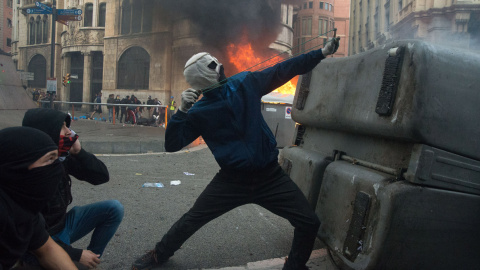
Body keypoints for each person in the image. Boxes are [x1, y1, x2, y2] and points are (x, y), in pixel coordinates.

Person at [131, 38, 340, 270]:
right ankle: (159, 255)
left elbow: (283, 69)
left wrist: (319, 53)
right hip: (231, 181)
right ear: (203, 77)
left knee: (309, 222)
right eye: (213, 65)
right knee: (193, 219)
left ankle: (294, 266)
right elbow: (172, 144)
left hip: (269, 176)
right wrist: (181, 111)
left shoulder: (245, 83)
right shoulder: (199, 111)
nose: (220, 66)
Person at [22, 108, 124, 269]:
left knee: (114, 208)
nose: (69, 132)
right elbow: (26, 237)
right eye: (62, 127)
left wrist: (79, 152)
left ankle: (89, 261)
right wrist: (74, 254)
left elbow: (101, 177)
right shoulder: (25, 172)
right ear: (46, 132)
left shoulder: (59, 159)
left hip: (63, 225)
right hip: (41, 241)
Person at [0, 126, 77, 270]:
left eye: (55, 158)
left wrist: (79, 152)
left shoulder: (21, 203)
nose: (56, 167)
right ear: (17, 166)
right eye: (49, 159)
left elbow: (47, 249)